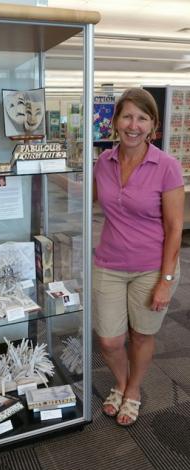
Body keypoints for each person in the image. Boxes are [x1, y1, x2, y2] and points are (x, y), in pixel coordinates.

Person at [93, 88, 185, 427]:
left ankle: (131, 390)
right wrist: (40, 172)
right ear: (115, 122)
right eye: (127, 116)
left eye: (142, 118)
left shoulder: (167, 166)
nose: (134, 125)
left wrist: (166, 280)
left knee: (142, 335)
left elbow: (175, 229)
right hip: (109, 263)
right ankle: (121, 381)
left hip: (152, 267)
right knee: (109, 338)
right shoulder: (103, 161)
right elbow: (84, 197)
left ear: (153, 126)